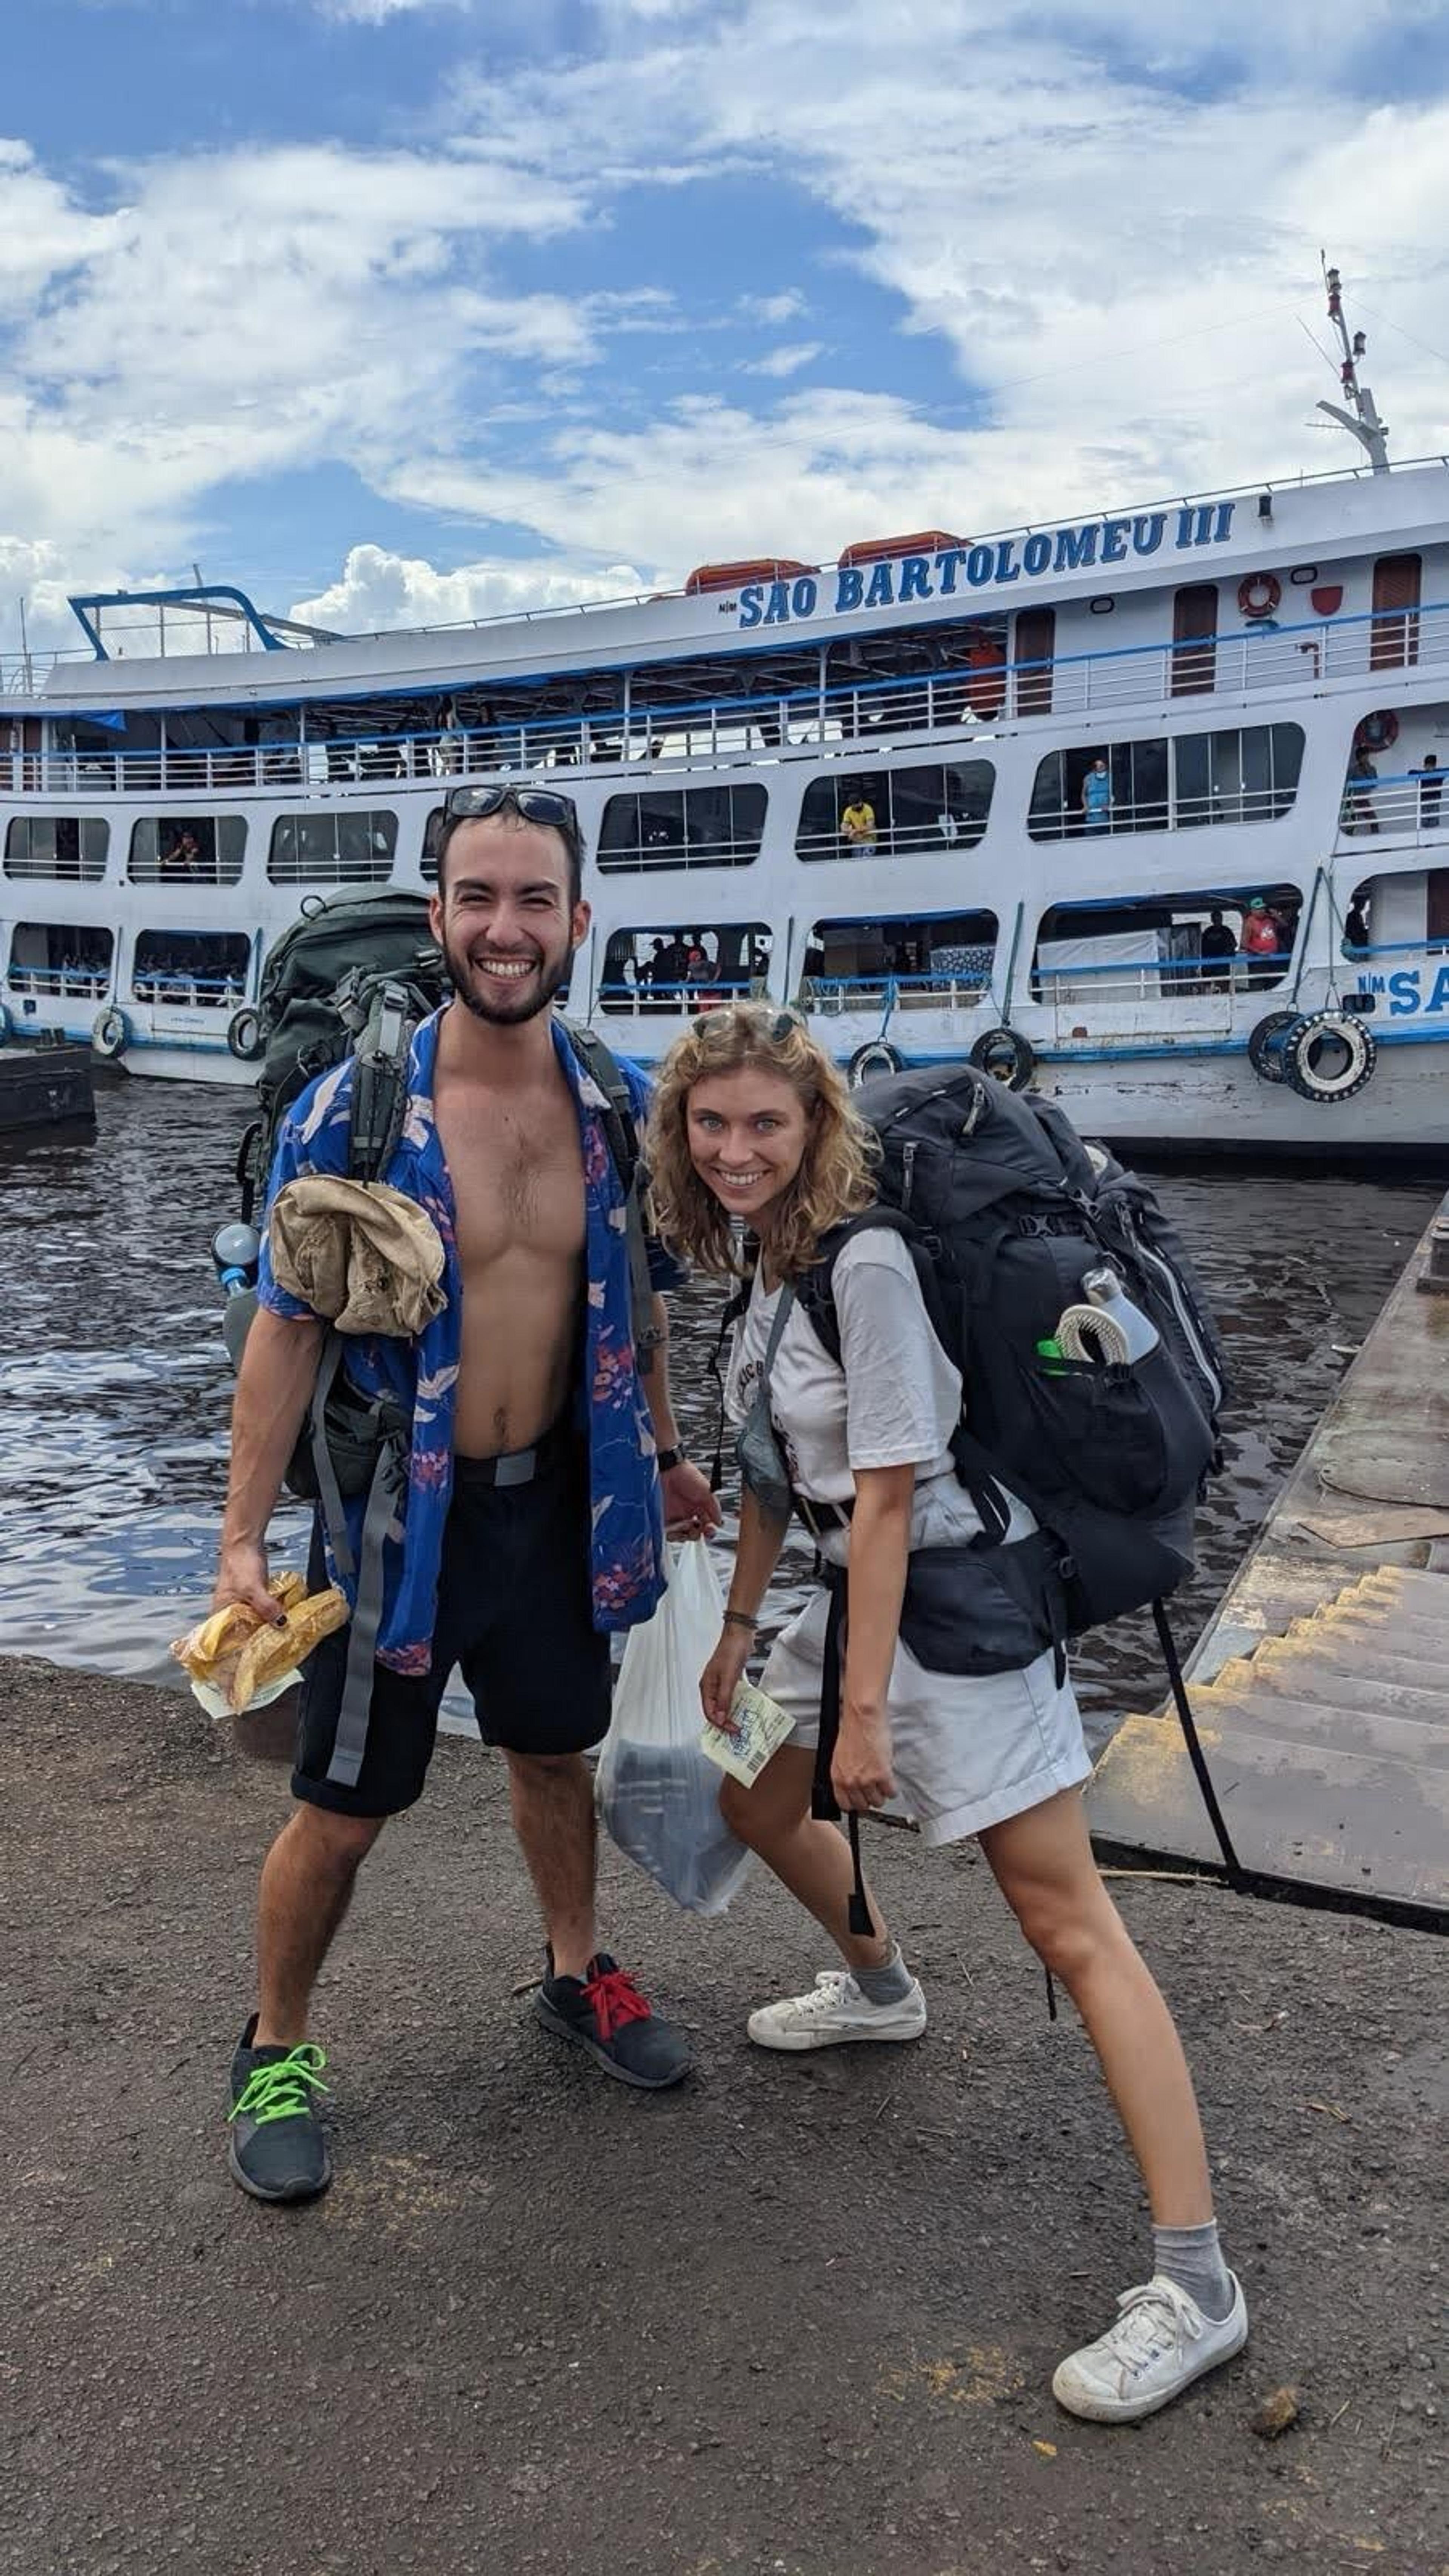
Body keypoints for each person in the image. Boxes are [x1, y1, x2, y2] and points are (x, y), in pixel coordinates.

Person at [645, 1002, 1249, 2425]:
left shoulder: (865, 1263)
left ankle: (1199, 2280)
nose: (736, 1149)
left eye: (764, 1124)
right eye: (711, 1124)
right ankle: (880, 1987)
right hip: (839, 1590)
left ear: (814, 1130)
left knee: (1067, 1921)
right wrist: (738, 1631)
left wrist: (863, 1719)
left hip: (957, 1608)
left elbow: (899, 1489)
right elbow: (778, 1470)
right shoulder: (770, 1260)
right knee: (744, 1796)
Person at [215, 783, 721, 2205]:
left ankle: (574, 1972)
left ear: (579, 919)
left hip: (564, 1503)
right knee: (346, 1802)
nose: (507, 929)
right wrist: (242, 1535)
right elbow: (288, 1327)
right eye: (479, 898)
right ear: (439, 913)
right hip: (397, 1518)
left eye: (535, 899)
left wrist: (674, 1453)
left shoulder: (617, 1103)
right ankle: (276, 2041)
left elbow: (641, 1307)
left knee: (557, 1755)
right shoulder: (358, 1110)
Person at [1238, 896, 1280, 987]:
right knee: (1258, 986)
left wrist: (1277, 916)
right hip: (1258, 962)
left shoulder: (1270, 919)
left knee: (1274, 986)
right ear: (1253, 910)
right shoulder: (1250, 922)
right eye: (1258, 909)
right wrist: (1259, 953)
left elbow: (1285, 926)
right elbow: (1244, 943)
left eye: (1263, 908)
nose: (1262, 911)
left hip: (1273, 960)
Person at [1198, 906, 1237, 994]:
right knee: (1206, 978)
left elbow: (1234, 945)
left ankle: (1225, 995)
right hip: (1209, 962)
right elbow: (1202, 947)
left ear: (1222, 919)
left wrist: (1225, 955)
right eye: (1215, 919)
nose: (1217, 921)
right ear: (1212, 920)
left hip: (1224, 963)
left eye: (1219, 919)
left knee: (1223, 982)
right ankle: (1207, 994)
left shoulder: (1227, 931)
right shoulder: (1208, 931)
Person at [1342, 750, 1379, 837]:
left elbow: (1375, 784)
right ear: (1359, 759)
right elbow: (1347, 785)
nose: (1366, 759)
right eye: (1364, 757)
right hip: (1355, 800)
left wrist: (1368, 771)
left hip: (1365, 799)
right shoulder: (1353, 770)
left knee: (1374, 822)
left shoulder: (1372, 769)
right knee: (1353, 823)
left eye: (1367, 757)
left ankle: (1377, 842)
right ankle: (1347, 842)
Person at [840, 789, 877, 856]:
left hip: (869, 841)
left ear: (861, 802)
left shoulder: (868, 809)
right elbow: (844, 826)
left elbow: (870, 826)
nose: (855, 807)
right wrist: (849, 831)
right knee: (856, 861)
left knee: (867, 861)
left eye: (857, 805)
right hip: (857, 841)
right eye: (853, 806)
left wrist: (855, 832)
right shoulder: (849, 811)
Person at [1080, 757, 1112, 832]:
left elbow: (1115, 795)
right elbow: (1083, 794)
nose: (1099, 768)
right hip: (1091, 819)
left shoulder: (1111, 778)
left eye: (1102, 766)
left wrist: (1110, 805)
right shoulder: (1088, 778)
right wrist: (1085, 806)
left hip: (1105, 820)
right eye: (1097, 766)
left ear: (1107, 766)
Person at [1415, 751, 1443, 834]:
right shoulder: (1422, 776)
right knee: (1425, 825)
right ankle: (1427, 845)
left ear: (1435, 766)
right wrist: (1424, 774)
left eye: (1431, 766)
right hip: (1424, 802)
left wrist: (1436, 772)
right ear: (1424, 766)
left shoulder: (1439, 775)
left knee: (1433, 824)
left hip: (1435, 801)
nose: (1429, 768)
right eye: (1427, 766)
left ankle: (1432, 844)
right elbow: (1411, 773)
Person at [1343, 887, 1371, 955]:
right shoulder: (1352, 916)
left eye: (1363, 903)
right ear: (1356, 904)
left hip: (1357, 940)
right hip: (1356, 943)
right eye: (1361, 903)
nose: (1362, 905)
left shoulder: (1355, 915)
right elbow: (1354, 932)